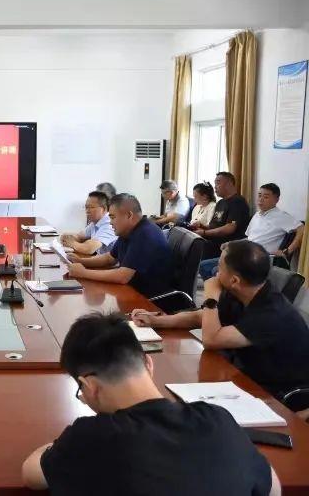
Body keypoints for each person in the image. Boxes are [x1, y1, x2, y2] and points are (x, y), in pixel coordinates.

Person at [21, 311, 279, 495]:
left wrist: (61, 444)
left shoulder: (90, 438)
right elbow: (273, 488)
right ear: (148, 363)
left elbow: (31, 473)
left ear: (90, 386)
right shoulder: (218, 420)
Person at [131, 240, 309, 401]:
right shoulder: (242, 292)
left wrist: (210, 297)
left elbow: (211, 340)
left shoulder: (272, 314)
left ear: (234, 280)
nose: (215, 272)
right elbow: (201, 317)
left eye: (220, 267)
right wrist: (158, 321)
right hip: (242, 374)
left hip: (275, 395)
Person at [66, 194, 173, 297]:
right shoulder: (128, 230)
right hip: (131, 290)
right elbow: (109, 258)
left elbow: (122, 276)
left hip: (148, 299)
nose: (110, 223)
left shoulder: (145, 234)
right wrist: (81, 261)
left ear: (129, 215)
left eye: (113, 217)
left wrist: (83, 273)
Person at [198, 183, 304, 280]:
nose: (261, 199)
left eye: (266, 197)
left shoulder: (281, 216)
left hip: (259, 259)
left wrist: (288, 251)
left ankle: (228, 292)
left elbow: (302, 228)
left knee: (217, 270)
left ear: (276, 199)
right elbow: (249, 239)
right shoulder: (257, 215)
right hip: (245, 255)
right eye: (259, 195)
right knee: (203, 266)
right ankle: (222, 292)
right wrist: (231, 243)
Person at [194, 172, 250, 259]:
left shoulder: (238, 202)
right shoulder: (220, 202)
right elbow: (214, 225)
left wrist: (204, 233)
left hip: (224, 246)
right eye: (215, 183)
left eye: (218, 183)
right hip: (212, 240)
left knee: (193, 247)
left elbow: (230, 228)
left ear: (229, 184)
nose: (215, 187)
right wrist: (201, 226)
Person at [60, 191, 117, 255]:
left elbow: (89, 249)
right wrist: (67, 237)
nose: (87, 211)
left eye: (91, 207)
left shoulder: (109, 224)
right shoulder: (95, 222)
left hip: (111, 261)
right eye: (86, 207)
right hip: (99, 258)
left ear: (104, 209)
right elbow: (79, 236)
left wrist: (72, 243)